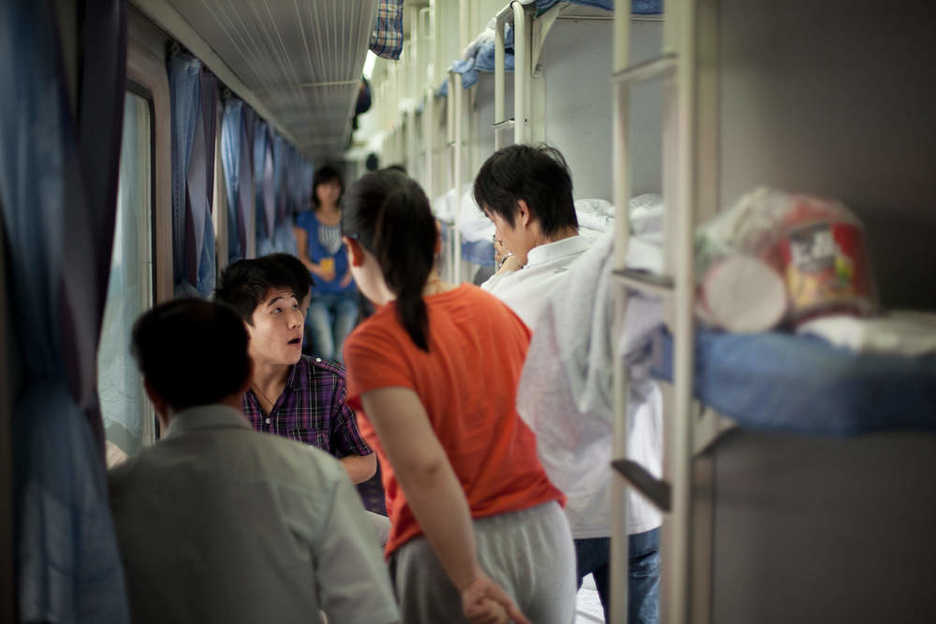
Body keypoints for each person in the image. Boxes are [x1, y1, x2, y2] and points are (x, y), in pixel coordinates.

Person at [340, 168, 576, 624]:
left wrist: (469, 578)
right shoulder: (496, 308)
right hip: (545, 537)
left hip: (452, 548)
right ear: (435, 237)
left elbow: (425, 469)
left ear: (352, 251)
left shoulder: (375, 342)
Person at [108, 299, 399, 624]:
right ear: (247, 373)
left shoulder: (116, 494)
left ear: (151, 391)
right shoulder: (315, 476)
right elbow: (368, 611)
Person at [474, 144, 662, 623]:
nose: (496, 235)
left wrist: (505, 274)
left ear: (521, 211)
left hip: (563, 515)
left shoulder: (509, 298)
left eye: (495, 221)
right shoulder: (627, 272)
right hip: (640, 504)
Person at [214, 257, 377, 487]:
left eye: (295, 306)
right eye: (277, 310)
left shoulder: (332, 383)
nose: (295, 321)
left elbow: (366, 461)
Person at [294, 164, 358, 362]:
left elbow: (358, 251)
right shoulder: (305, 219)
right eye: (324, 187)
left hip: (346, 290)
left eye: (334, 187)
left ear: (340, 189)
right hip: (317, 292)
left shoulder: (349, 218)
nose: (329, 192)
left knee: (340, 352)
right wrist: (317, 270)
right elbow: (301, 257)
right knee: (325, 350)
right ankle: (324, 389)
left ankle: (341, 391)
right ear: (316, 190)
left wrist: (351, 272)